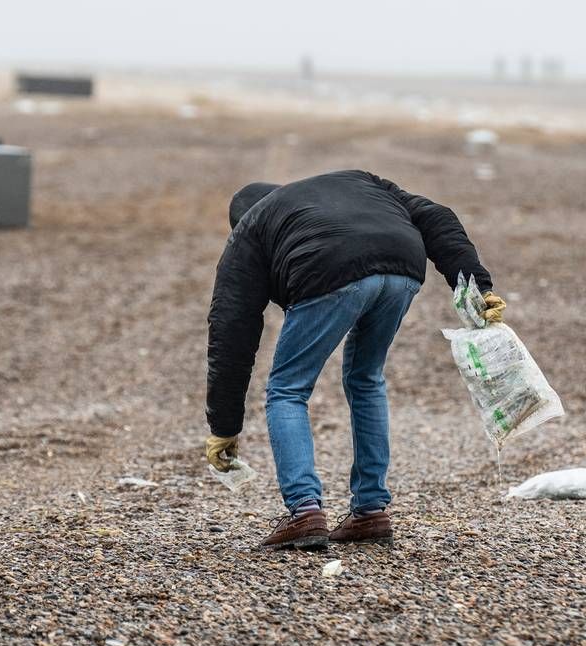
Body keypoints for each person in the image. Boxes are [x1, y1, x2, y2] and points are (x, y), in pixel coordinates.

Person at [203, 170, 504, 549]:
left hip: (329, 265)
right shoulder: (358, 182)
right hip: (402, 264)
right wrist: (476, 286)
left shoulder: (250, 230)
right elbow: (436, 216)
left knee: (287, 389)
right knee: (366, 377)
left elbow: (231, 330)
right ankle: (370, 511)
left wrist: (224, 427)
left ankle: (304, 511)